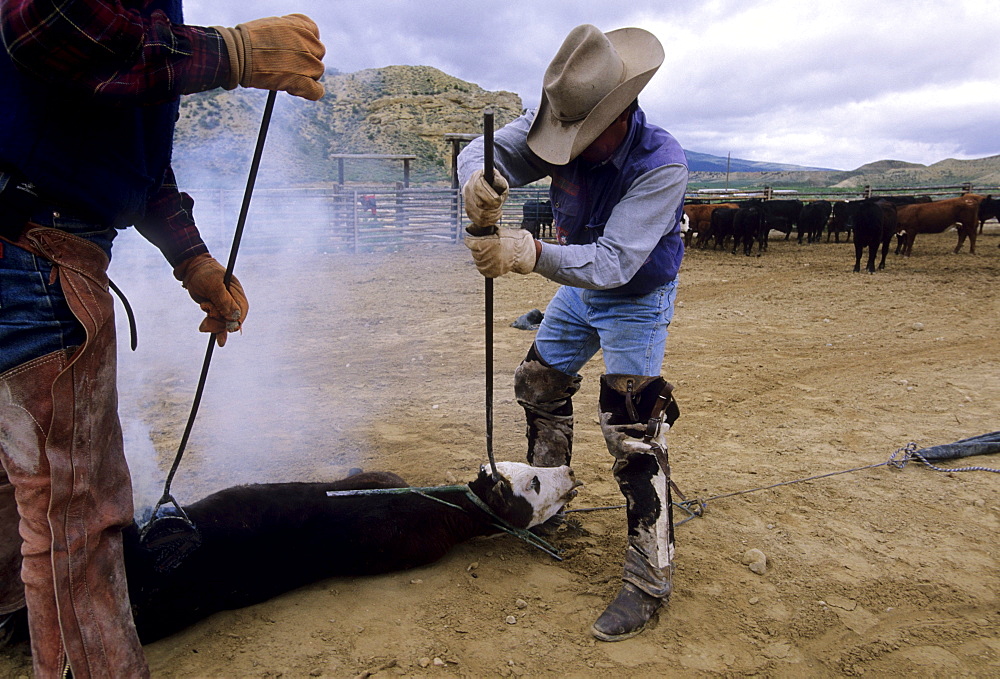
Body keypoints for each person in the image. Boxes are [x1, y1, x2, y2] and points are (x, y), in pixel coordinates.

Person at [0, 2, 325, 676]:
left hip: (22, 235)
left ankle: (15, 621)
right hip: (31, 249)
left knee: (15, 490)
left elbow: (126, 148)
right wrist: (234, 53)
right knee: (74, 520)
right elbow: (44, 25)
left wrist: (193, 260)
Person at [458, 24, 687, 642]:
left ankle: (649, 576)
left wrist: (525, 251)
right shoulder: (561, 118)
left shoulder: (661, 165)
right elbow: (480, 154)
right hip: (581, 288)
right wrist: (475, 183)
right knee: (539, 380)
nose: (567, 147)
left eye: (580, 138)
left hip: (635, 295)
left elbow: (615, 263)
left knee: (633, 429)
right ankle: (549, 496)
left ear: (618, 116)